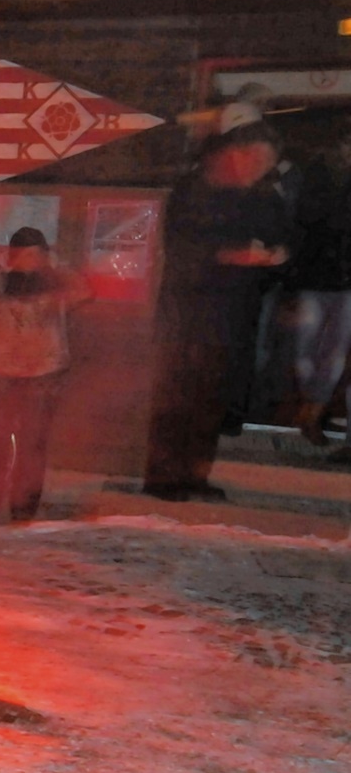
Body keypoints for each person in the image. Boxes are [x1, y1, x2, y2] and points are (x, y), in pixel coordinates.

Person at [144, 122, 294, 501]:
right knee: (178, 396)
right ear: (234, 153)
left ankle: (196, 474)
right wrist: (230, 255)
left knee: (214, 397)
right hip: (188, 315)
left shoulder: (261, 197)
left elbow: (284, 241)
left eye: (267, 163)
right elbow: (181, 251)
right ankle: (163, 478)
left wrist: (276, 257)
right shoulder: (194, 190)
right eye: (256, 159)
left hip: (235, 315)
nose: (259, 169)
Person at [0, 227, 91, 521]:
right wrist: (3, 277)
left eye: (37, 254)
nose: (31, 260)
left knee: (32, 445)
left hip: (43, 372)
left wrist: (58, 266)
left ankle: (23, 510)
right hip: (1, 371)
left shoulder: (55, 286)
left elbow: (85, 291)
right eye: (24, 254)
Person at [285, 123, 351, 445]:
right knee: (306, 350)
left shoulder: (320, 175)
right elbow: (306, 219)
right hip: (317, 273)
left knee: (333, 351)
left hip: (341, 277)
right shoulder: (319, 175)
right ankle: (311, 406)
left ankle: (313, 410)